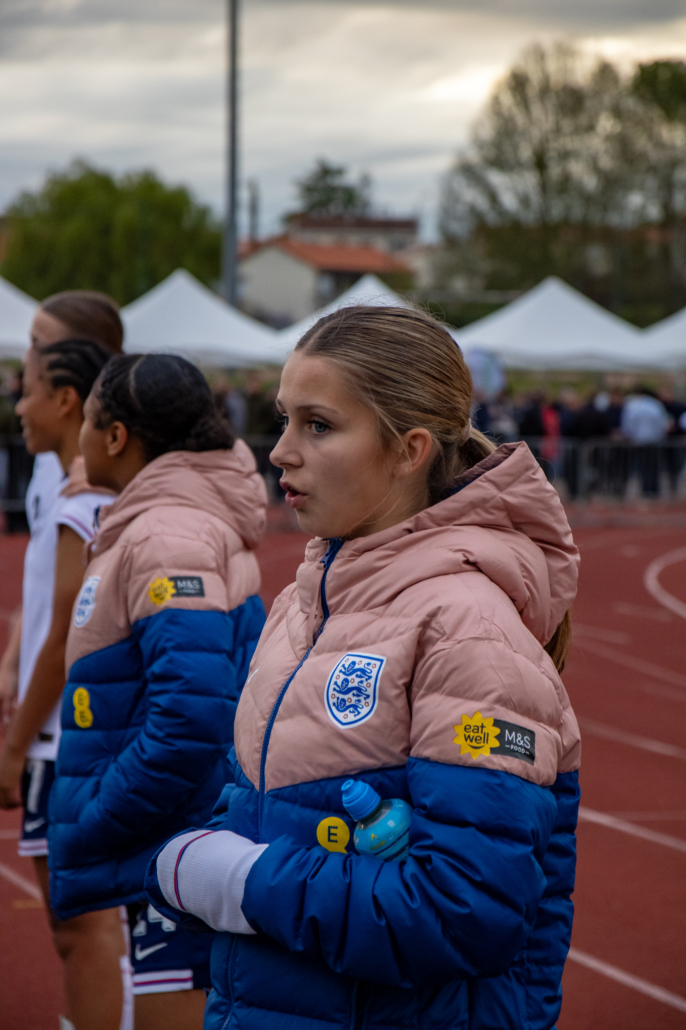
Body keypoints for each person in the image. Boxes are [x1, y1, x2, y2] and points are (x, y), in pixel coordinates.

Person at [147, 306, 581, 1030]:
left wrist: (241, 881)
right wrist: (209, 851)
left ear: (408, 451)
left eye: (318, 425)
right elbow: (268, 813)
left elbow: (465, 912)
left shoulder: (466, 628)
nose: (280, 452)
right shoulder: (299, 608)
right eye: (283, 420)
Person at [48, 354, 268, 1030]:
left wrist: (97, 818)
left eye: (89, 421)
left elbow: (191, 718)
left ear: (116, 436)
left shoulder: (167, 534)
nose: (81, 441)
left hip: (169, 837)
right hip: (168, 831)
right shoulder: (159, 523)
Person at [0, 291, 130, 1030]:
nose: (24, 365)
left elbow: (73, 623)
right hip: (56, 717)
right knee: (74, 925)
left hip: (71, 728)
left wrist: (17, 743)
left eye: (38, 344)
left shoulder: (93, 479)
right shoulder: (54, 464)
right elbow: (46, 594)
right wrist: (12, 659)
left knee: (85, 924)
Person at [621, 386, 671, 497]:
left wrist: (631, 436)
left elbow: (628, 425)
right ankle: (653, 490)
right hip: (654, 441)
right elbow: (663, 424)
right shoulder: (656, 405)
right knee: (653, 467)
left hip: (638, 441)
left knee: (642, 466)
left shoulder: (634, 406)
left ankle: (645, 490)